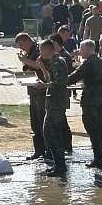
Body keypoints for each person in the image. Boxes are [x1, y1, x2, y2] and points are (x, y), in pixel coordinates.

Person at [67, 40, 102, 169]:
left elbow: (73, 78)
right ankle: (100, 155)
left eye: (81, 49)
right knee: (100, 127)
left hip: (91, 100)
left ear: (88, 49)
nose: (80, 52)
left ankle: (98, 158)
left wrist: (57, 81)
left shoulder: (87, 63)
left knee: (92, 128)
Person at [34, 40, 69, 176]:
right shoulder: (53, 62)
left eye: (41, 50)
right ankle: (58, 164)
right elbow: (50, 79)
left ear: (47, 49)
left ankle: (60, 166)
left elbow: (59, 83)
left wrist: (44, 86)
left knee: (50, 133)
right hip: (53, 102)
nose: (40, 53)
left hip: (57, 102)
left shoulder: (58, 61)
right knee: (52, 133)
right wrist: (42, 68)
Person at [15, 32, 47, 160]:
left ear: (28, 40)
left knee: (41, 120)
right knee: (35, 122)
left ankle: (46, 150)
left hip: (40, 90)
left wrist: (24, 60)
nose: (22, 48)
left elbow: (39, 66)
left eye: (22, 45)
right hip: (32, 90)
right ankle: (38, 150)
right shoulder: (29, 51)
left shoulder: (39, 49)